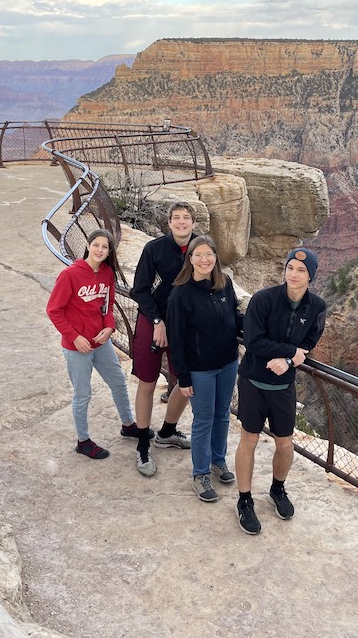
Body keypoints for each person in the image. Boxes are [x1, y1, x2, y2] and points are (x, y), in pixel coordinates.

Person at [234, 247, 326, 534]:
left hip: (283, 387)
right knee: (249, 439)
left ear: (311, 276)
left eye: (301, 270)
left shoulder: (317, 307)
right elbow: (253, 340)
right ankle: (245, 500)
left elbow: (309, 343)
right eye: (290, 268)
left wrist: (289, 360)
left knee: (285, 443)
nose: (294, 274)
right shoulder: (264, 299)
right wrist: (291, 353)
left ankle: (277, 489)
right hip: (252, 381)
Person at [46, 228, 139, 459]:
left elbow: (107, 305)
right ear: (88, 245)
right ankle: (83, 441)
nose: (100, 250)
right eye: (96, 245)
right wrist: (74, 337)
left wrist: (109, 327)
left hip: (100, 342)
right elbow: (54, 310)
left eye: (105, 247)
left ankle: (128, 425)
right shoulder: (70, 275)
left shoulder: (107, 273)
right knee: (83, 393)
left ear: (109, 252)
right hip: (76, 346)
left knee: (118, 381)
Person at [166, 235, 243, 502]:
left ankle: (217, 461)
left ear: (215, 259)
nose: (204, 260)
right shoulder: (181, 295)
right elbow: (176, 340)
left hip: (227, 363)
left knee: (223, 415)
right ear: (190, 259)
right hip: (200, 370)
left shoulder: (225, 285)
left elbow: (235, 319)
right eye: (198, 255)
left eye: (208, 254)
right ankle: (200, 474)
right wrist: (183, 377)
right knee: (203, 420)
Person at [129, 201, 197, 476]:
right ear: (169, 223)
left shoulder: (201, 249)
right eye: (176, 218)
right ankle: (143, 443)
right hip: (153, 320)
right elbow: (140, 290)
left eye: (186, 218)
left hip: (185, 325)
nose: (181, 222)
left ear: (194, 223)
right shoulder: (154, 249)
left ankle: (167, 432)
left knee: (185, 381)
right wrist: (157, 321)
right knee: (147, 381)